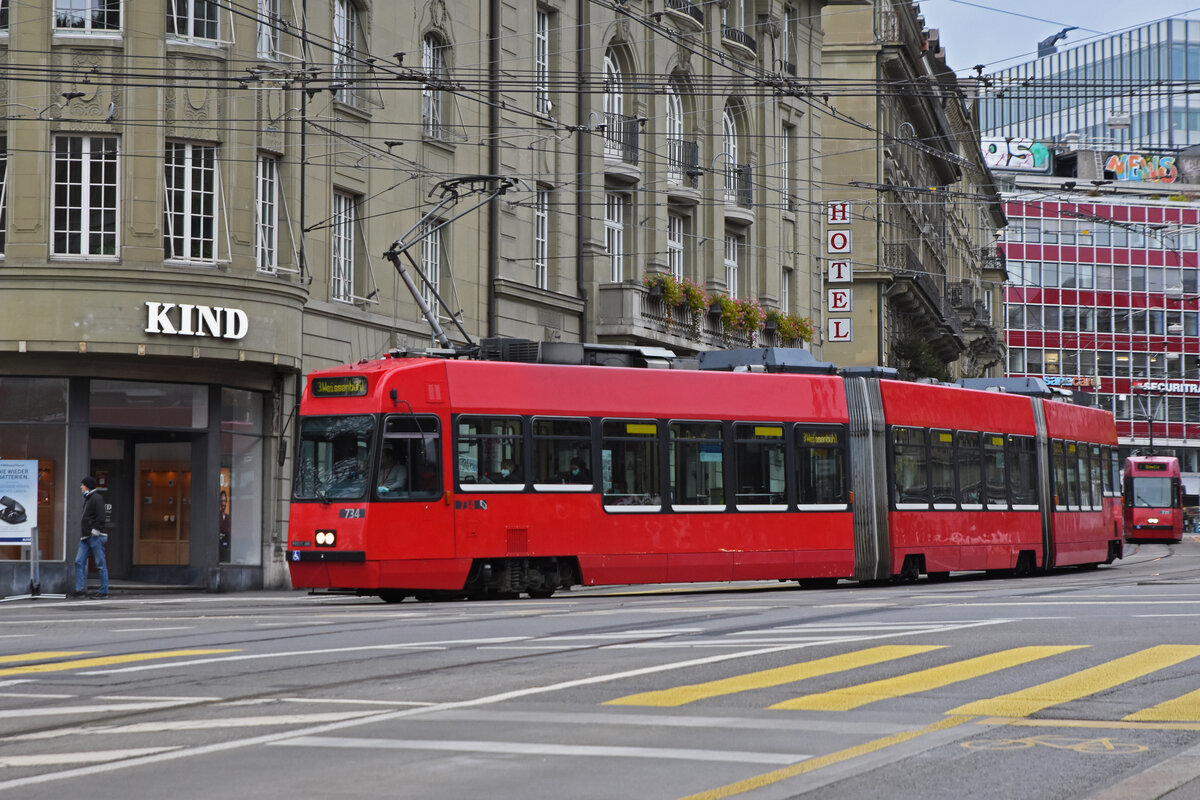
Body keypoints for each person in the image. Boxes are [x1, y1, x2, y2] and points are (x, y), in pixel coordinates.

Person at [73, 476, 108, 599]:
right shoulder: (88, 498)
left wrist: (95, 531)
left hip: (95, 536)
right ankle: (80, 589)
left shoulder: (96, 498)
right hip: (86, 537)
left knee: (100, 563)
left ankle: (103, 591)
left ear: (87, 486)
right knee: (78, 562)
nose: (81, 487)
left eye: (82, 485)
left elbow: (101, 517)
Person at [218, 489, 231, 563]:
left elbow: (227, 530)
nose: (223, 503)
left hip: (225, 545)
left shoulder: (228, 517)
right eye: (221, 501)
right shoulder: (217, 515)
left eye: (224, 501)